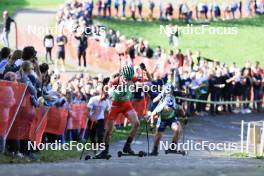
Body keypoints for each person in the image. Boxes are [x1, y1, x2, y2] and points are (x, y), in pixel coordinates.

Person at [94, 65, 141, 158]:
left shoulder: (132, 78)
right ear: (121, 75)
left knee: (136, 124)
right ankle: (104, 151)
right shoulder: (115, 82)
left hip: (127, 105)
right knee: (108, 131)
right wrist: (105, 92)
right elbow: (106, 90)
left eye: (129, 79)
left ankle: (127, 146)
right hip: (115, 106)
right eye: (125, 78)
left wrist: (144, 71)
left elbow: (144, 78)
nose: (127, 80)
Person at [87, 84, 110, 153]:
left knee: (100, 134)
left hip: (100, 120)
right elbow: (87, 111)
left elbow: (107, 112)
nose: (106, 96)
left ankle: (99, 147)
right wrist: (91, 118)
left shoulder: (106, 101)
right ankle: (94, 148)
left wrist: (106, 124)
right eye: (105, 94)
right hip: (92, 120)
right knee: (92, 136)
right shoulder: (93, 99)